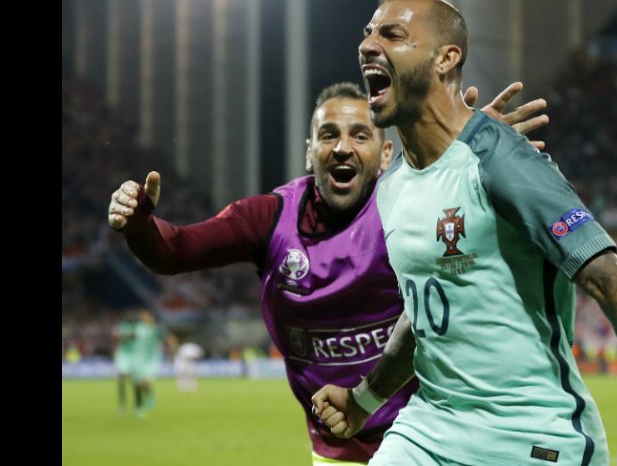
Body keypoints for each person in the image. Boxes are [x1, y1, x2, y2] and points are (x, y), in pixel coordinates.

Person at [311, 0, 617, 466]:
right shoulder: (392, 188)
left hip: (530, 436)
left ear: (446, 58)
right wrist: (364, 400)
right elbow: (426, 311)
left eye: (391, 34)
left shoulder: (504, 162)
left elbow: (608, 277)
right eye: (367, 32)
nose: (368, 44)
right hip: (427, 432)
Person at [108, 81, 548, 463]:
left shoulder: (414, 205)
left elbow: (473, 207)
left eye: (361, 135)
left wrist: (478, 158)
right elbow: (175, 251)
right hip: (340, 443)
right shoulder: (268, 220)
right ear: (309, 152)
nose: (342, 147)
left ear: (385, 154)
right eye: (328, 135)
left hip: (430, 433)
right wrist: (140, 225)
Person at [131, 309, 166, 418]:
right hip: (138, 359)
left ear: (151, 317)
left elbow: (167, 338)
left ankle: (149, 395)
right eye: (143, 316)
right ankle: (138, 408)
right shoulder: (138, 328)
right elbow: (132, 338)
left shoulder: (157, 329)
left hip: (151, 359)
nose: (144, 318)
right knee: (138, 383)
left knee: (144, 382)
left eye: (146, 316)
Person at [112, 310, 136, 415]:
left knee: (135, 380)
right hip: (123, 355)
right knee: (121, 379)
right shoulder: (120, 325)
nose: (130, 317)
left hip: (134, 355)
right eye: (128, 316)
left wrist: (126, 336)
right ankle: (123, 406)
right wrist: (128, 336)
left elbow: (137, 338)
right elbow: (117, 337)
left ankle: (137, 404)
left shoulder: (136, 326)